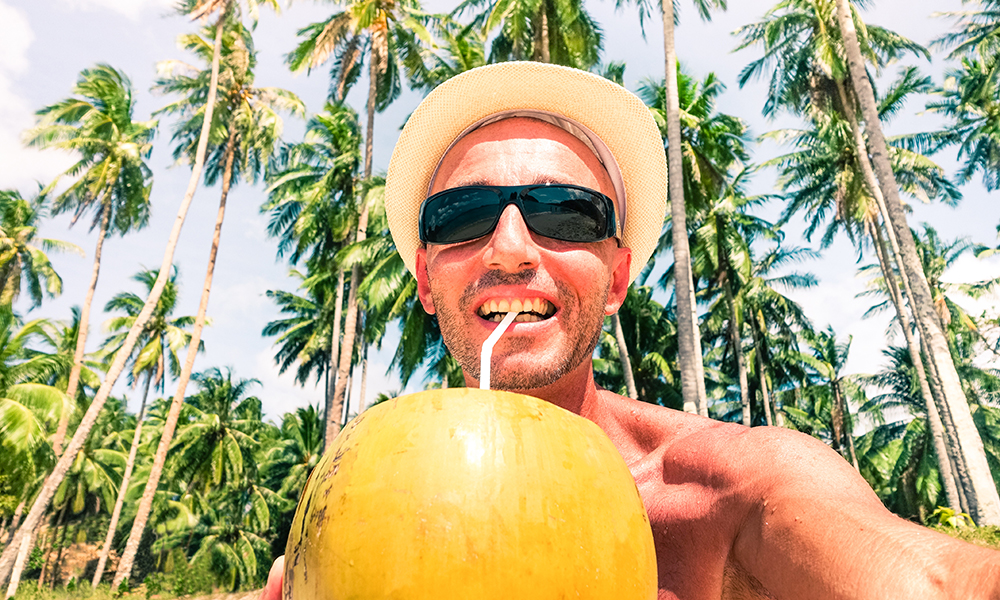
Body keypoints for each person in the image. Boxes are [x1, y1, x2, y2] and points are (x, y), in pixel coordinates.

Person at [261, 62, 1000, 599]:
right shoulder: (359, 501)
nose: (511, 248)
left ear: (616, 278)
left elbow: (933, 583)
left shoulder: (720, 493)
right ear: (425, 279)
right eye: (462, 216)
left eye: (565, 215)